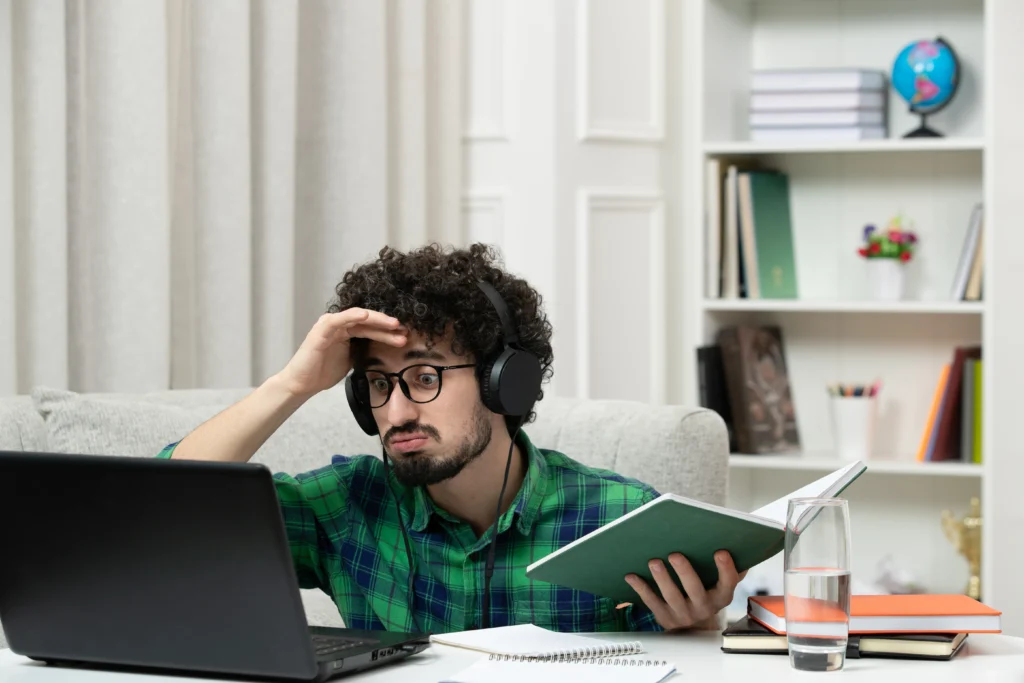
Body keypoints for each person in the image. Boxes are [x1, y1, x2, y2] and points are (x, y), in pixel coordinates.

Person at [158, 243, 744, 634]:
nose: (397, 412)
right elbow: (170, 503)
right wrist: (292, 384)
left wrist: (696, 628)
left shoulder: (621, 518)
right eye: (379, 384)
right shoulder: (345, 507)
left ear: (504, 382)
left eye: (424, 377)